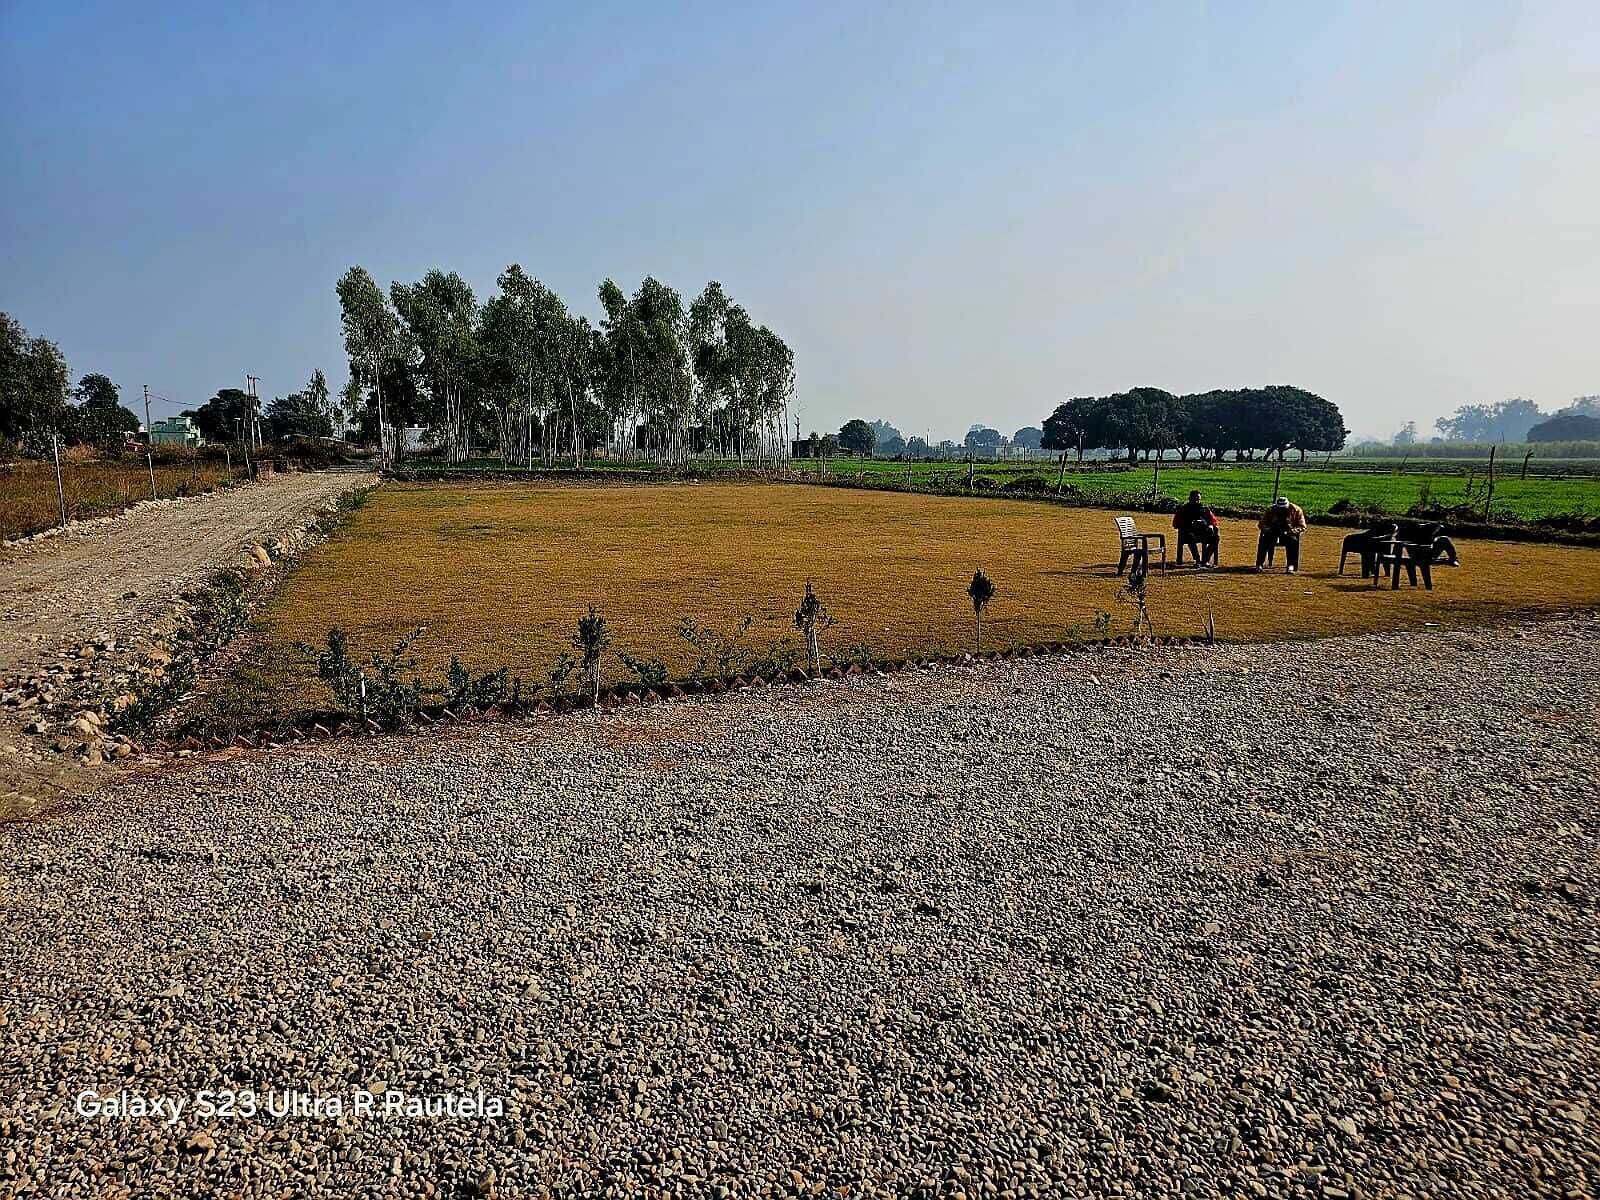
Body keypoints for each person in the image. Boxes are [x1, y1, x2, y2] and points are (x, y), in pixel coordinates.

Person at [1256, 495, 1307, 572]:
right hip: (1273, 532)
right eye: (1279, 508)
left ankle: (1291, 565)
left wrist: (1292, 531)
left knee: (1293, 541)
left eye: (1283, 508)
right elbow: (1262, 524)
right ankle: (1259, 564)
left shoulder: (1296, 510)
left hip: (1288, 532)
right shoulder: (1270, 510)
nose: (1281, 510)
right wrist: (1268, 530)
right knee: (1264, 541)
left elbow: (1302, 526)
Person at [1172, 489, 1219, 567]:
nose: (1197, 501)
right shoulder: (1183, 509)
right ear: (1190, 498)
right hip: (1188, 532)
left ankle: (1205, 560)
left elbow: (1213, 520)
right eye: (1195, 499)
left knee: (1215, 538)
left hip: (1203, 532)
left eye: (1198, 499)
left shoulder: (1204, 508)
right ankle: (1197, 560)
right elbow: (1175, 524)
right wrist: (1189, 525)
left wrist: (1211, 525)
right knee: (1190, 537)